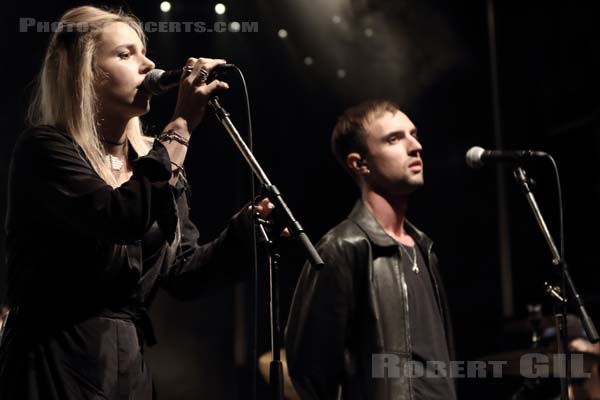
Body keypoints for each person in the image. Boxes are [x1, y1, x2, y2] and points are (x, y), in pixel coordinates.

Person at [0, 6, 275, 399]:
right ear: (84, 71)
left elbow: (182, 272)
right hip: (54, 359)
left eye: (143, 51)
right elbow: (119, 217)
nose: (148, 65)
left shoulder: (151, 162)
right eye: (125, 54)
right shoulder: (45, 150)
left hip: (126, 365)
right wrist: (180, 127)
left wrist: (243, 234)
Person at [285, 100, 457, 400]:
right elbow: (310, 373)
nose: (415, 146)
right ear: (360, 163)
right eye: (394, 138)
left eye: (413, 134)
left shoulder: (424, 248)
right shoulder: (342, 248)